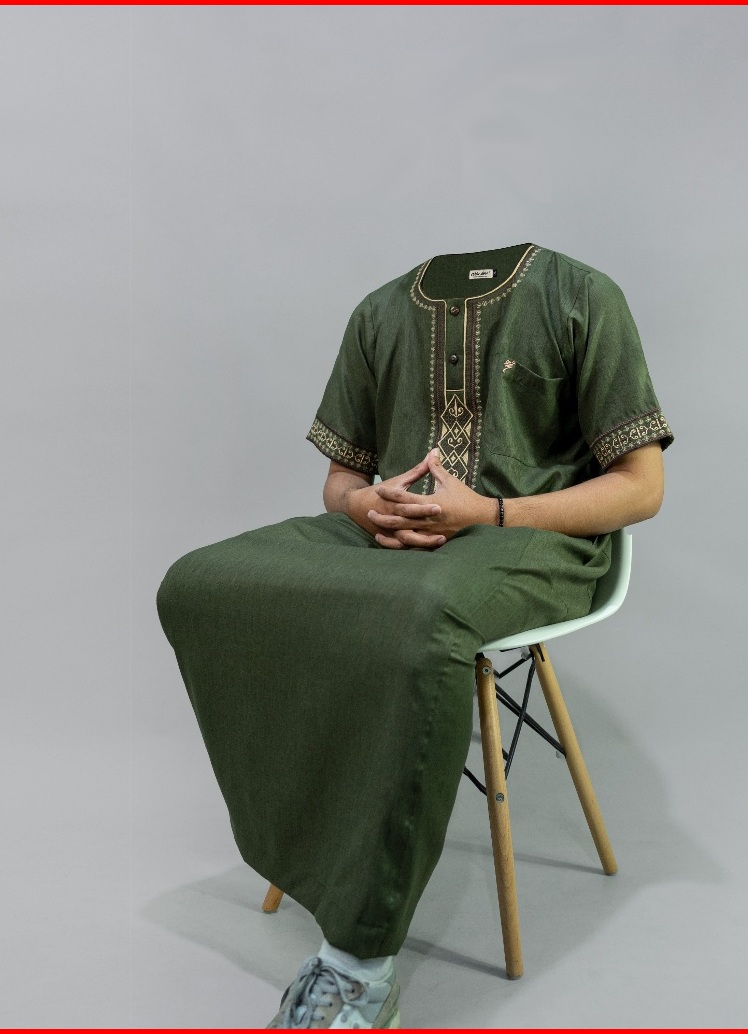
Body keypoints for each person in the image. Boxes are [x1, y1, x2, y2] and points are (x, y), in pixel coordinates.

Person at [157, 243, 673, 1028]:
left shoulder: (581, 297)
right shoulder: (380, 312)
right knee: (200, 582)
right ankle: (309, 843)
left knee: (419, 615)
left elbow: (642, 487)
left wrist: (490, 512)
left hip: (535, 539)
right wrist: (363, 505)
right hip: (393, 537)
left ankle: (358, 967)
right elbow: (341, 481)